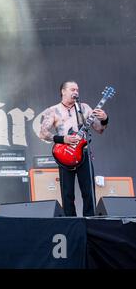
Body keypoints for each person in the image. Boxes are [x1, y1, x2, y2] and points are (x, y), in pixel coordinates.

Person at [39, 81, 109, 216]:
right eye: (72, 89)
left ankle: (90, 223)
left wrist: (105, 119)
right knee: (67, 194)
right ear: (63, 92)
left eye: (77, 90)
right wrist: (62, 139)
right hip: (65, 154)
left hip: (83, 154)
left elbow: (99, 129)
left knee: (89, 192)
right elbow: (43, 133)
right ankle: (71, 223)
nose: (76, 92)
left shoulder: (85, 108)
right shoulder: (53, 110)